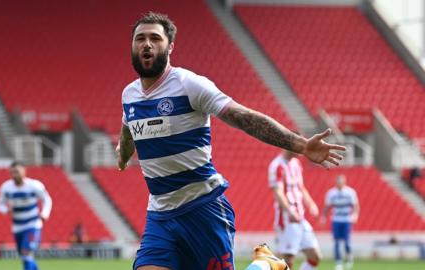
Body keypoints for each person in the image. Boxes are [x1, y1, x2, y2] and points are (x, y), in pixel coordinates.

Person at [117, 11, 346, 270]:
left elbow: (242, 116)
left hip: (203, 208)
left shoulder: (189, 85)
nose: (147, 44)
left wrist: (301, 145)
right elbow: (128, 131)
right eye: (140, 38)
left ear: (170, 46)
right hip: (160, 214)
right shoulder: (130, 95)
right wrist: (123, 156)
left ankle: (264, 266)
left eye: (155, 38)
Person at [268, 149, 322, 270]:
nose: (301, 152)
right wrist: (289, 211)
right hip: (287, 218)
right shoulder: (277, 165)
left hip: (300, 217)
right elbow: (278, 192)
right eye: (298, 148)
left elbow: (300, 187)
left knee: (315, 256)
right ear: (289, 147)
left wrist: (311, 203)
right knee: (287, 259)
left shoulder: (296, 163)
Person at [0, 161, 52, 270]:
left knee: (26, 253)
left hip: (33, 224)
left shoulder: (34, 185)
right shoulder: (6, 187)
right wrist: (6, 210)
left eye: (17, 172)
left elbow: (47, 199)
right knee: (25, 256)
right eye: (12, 172)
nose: (14, 175)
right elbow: (0, 204)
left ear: (24, 172)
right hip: (17, 226)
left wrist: (44, 214)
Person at [321, 175, 359, 270]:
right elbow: (327, 207)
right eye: (338, 182)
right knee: (337, 242)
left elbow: (355, 205)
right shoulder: (331, 193)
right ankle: (338, 262)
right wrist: (324, 217)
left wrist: (355, 215)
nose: (340, 184)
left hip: (346, 220)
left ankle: (349, 255)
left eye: (341, 182)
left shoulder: (350, 192)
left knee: (346, 242)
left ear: (344, 182)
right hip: (336, 220)